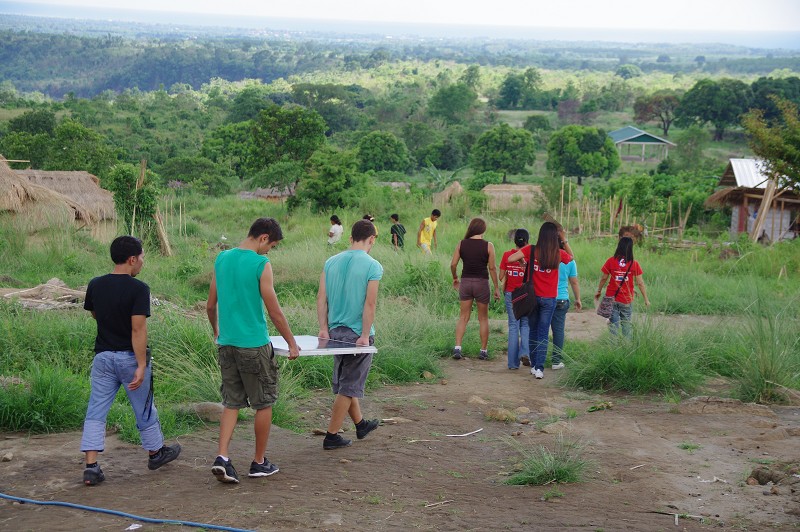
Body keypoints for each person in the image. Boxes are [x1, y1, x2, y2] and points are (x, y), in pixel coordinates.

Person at [80, 236, 181, 486]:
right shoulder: (139, 289)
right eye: (142, 257)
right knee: (144, 406)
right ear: (132, 259)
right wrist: (141, 365)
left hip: (103, 358)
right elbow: (138, 330)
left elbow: (95, 314)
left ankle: (91, 466)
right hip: (129, 358)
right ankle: (155, 453)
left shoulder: (96, 284)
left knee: (96, 409)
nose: (143, 263)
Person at [206, 217, 301, 484]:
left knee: (231, 402)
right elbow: (274, 311)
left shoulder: (222, 259)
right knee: (264, 402)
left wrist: (216, 331)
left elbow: (210, 306)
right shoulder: (261, 264)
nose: (270, 250)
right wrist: (292, 342)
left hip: (227, 343)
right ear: (263, 237)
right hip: (254, 345)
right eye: (272, 244)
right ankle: (259, 462)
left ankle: (222, 457)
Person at [316, 220, 383, 450]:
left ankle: (361, 424)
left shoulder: (330, 262)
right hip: (356, 335)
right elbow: (370, 303)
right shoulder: (373, 265)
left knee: (347, 382)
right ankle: (331, 436)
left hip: (335, 333)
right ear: (371, 239)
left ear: (351, 237)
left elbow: (321, 298)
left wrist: (323, 328)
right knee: (348, 387)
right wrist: (365, 335)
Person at [507, 222, 573, 379]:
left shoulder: (531, 250)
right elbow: (571, 258)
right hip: (549, 299)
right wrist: (564, 240)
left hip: (533, 298)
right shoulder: (558, 253)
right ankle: (539, 369)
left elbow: (510, 258)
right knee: (543, 332)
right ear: (554, 237)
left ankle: (534, 365)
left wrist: (523, 262)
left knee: (533, 331)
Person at [450, 218, 502, 361]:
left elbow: (453, 264)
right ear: (483, 230)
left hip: (466, 282)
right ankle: (483, 351)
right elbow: (492, 268)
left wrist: (455, 278)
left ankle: (458, 348)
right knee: (483, 318)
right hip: (482, 283)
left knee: (463, 317)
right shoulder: (489, 246)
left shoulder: (461, 244)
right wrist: (496, 287)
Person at [595, 236, 650, 338]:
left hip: (612, 297)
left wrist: (598, 290)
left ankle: (613, 349)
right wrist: (646, 299)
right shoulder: (634, 264)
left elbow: (604, 278)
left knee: (613, 326)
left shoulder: (611, 261)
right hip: (626, 299)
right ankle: (626, 349)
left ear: (619, 246)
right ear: (630, 248)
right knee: (626, 325)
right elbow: (640, 283)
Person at [499, 229, 531, 369]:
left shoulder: (507, 255)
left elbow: (501, 277)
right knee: (525, 325)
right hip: (526, 295)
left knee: (513, 326)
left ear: (514, 241)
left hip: (510, 294)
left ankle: (512, 364)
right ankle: (525, 353)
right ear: (527, 242)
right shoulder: (531, 256)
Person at [549, 247, 582, 370]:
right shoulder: (570, 261)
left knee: (540, 329)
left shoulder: (546, 257)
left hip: (546, 297)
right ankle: (556, 361)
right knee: (558, 331)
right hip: (561, 299)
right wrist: (578, 298)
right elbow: (574, 282)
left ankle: (536, 359)